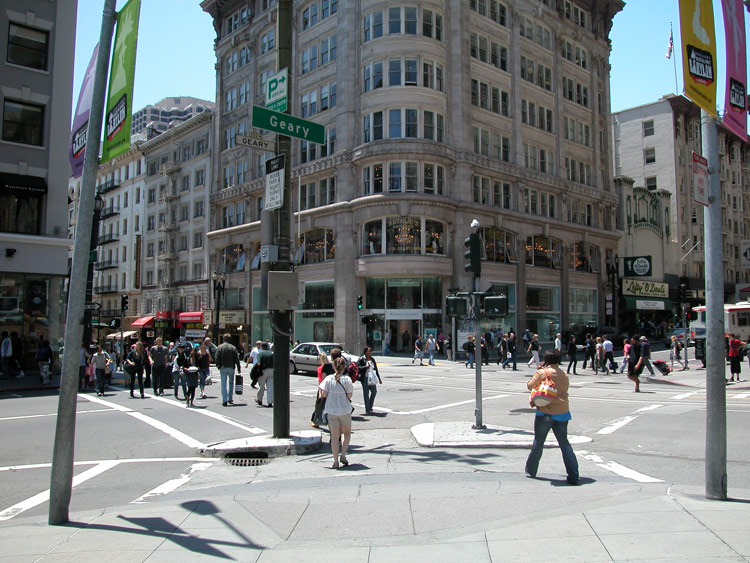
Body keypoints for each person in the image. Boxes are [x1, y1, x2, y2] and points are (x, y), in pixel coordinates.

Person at [525, 349, 579, 485]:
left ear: (546, 360)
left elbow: (530, 386)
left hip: (544, 412)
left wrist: (539, 371)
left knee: (538, 441)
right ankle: (573, 475)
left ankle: (531, 470)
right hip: (562, 412)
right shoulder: (564, 374)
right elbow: (564, 390)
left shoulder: (542, 373)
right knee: (564, 443)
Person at [319, 356, 354, 469]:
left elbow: (323, 394)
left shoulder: (329, 379)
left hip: (331, 410)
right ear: (344, 367)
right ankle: (343, 455)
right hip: (344, 410)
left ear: (334, 366)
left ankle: (335, 461)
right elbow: (350, 395)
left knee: (334, 437)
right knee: (346, 433)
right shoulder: (347, 380)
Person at [214, 333, 241, 407]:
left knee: (223, 383)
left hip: (223, 367)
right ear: (230, 339)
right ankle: (230, 398)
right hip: (231, 367)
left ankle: (224, 400)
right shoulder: (233, 348)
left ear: (223, 339)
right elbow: (237, 358)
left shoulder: (220, 347)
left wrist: (218, 365)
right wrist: (239, 367)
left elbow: (216, 357)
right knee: (231, 383)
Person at [357, 346, 382, 414]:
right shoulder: (362, 359)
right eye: (369, 351)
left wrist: (379, 378)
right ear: (365, 352)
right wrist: (366, 367)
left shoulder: (372, 359)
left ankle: (370, 406)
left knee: (374, 391)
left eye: (371, 351)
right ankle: (367, 409)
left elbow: (376, 369)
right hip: (364, 378)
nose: (370, 352)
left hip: (372, 378)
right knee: (366, 393)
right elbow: (358, 368)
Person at [311, 352, 330, 428]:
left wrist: (319, 392)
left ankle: (316, 421)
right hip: (329, 388)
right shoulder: (330, 367)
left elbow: (320, 381)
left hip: (322, 388)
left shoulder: (320, 368)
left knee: (318, 405)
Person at [255, 340, 274, 407]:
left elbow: (258, 363)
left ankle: (259, 399)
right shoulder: (271, 353)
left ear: (261, 347)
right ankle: (270, 402)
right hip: (272, 371)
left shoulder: (260, 353)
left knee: (262, 386)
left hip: (263, 371)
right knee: (270, 387)